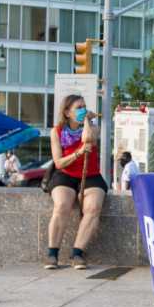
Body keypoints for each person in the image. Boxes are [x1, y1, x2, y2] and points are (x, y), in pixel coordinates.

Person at [45, 95, 106, 270]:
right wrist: (78, 154)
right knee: (62, 204)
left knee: (93, 206)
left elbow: (87, 138)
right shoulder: (56, 132)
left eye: (85, 106)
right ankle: (52, 254)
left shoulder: (94, 128)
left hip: (90, 175)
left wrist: (86, 120)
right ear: (67, 112)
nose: (83, 110)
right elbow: (59, 162)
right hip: (65, 174)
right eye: (78, 107)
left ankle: (77, 253)